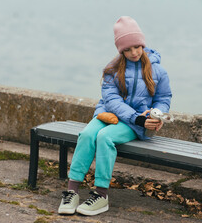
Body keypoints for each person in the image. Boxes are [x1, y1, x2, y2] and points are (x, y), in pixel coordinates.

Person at [58, 16, 172, 216]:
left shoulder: (158, 71)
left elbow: (163, 97)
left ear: (142, 43)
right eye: (127, 49)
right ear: (120, 50)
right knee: (86, 135)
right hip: (110, 115)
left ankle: (101, 195)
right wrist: (136, 117)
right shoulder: (112, 69)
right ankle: (71, 191)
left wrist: (158, 116)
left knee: (105, 137)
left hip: (136, 123)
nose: (133, 52)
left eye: (136, 46)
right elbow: (111, 100)